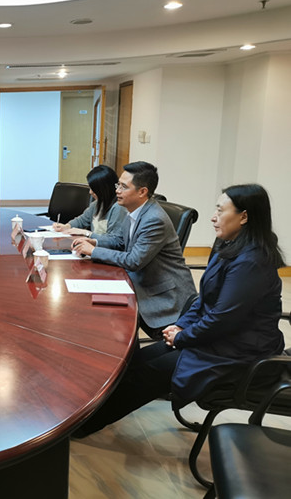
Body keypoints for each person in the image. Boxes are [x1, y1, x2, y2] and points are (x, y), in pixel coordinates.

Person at [74, 183, 285, 436]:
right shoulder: (229, 246)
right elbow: (203, 300)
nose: (213, 217)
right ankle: (85, 413)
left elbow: (222, 318)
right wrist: (181, 325)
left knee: (150, 373)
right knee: (135, 361)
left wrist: (183, 337)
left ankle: (81, 427)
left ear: (244, 217)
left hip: (239, 351)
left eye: (220, 211)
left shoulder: (252, 262)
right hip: (218, 339)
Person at [72, 161, 196, 336]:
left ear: (142, 192)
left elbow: (133, 261)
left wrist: (93, 251)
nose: (117, 191)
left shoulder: (154, 219)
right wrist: (94, 242)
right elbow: (119, 241)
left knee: (106, 316)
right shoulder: (133, 210)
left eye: (123, 187)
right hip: (141, 280)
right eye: (118, 185)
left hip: (164, 296)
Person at [53, 165, 127, 237]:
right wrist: (67, 226)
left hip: (100, 245)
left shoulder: (118, 208)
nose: (90, 192)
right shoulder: (96, 204)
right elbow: (82, 220)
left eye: (94, 189)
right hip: (92, 244)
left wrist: (87, 233)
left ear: (104, 189)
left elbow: (114, 240)